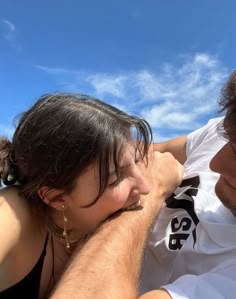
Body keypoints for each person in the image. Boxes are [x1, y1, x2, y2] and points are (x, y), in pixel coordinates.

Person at [50, 70, 236, 299]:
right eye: (228, 139)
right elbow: (147, 152)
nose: (215, 163)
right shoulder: (222, 131)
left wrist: (151, 196)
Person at [0, 93, 183, 299]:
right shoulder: (12, 214)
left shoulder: (91, 220)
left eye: (137, 161)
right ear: (55, 198)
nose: (144, 186)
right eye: (115, 179)